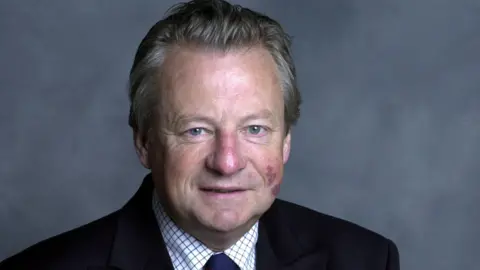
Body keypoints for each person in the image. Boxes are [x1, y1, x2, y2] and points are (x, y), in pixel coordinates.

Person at [0, 0, 400, 269]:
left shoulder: (365, 260)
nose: (227, 162)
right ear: (144, 141)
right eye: (196, 130)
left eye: (254, 129)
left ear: (286, 142)